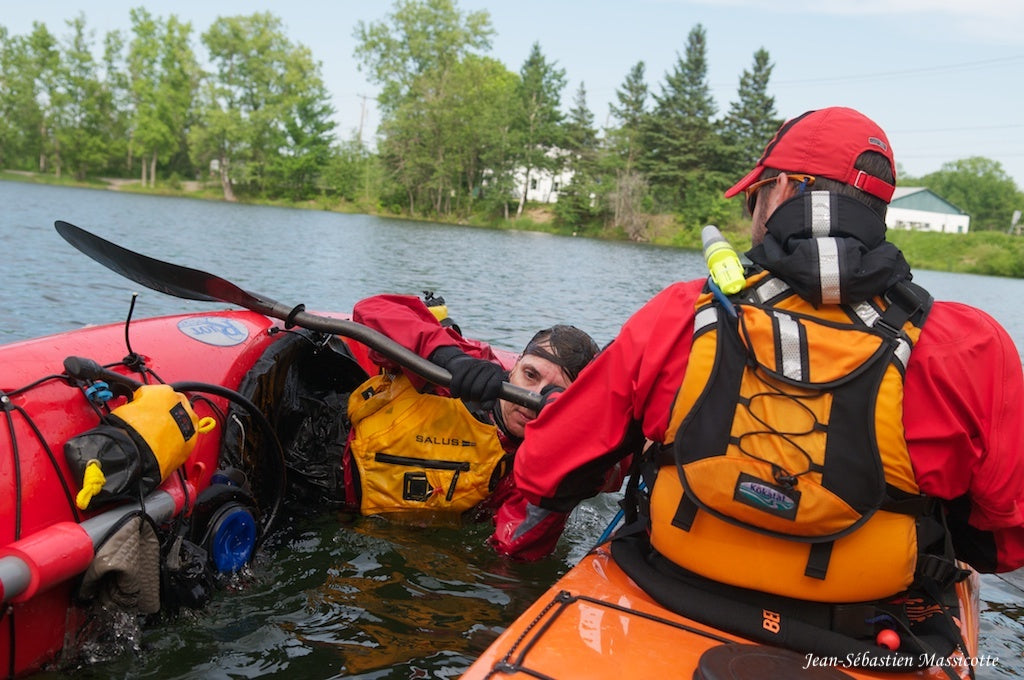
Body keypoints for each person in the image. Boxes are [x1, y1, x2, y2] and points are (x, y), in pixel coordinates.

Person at [493, 107, 1024, 661]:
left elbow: (543, 466)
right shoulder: (973, 345)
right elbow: (1005, 542)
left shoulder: (682, 313)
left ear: (785, 189)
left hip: (671, 589)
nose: (751, 215)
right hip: (859, 633)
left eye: (756, 195)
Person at [339, 293, 600, 545]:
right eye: (530, 375)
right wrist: (449, 359)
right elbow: (372, 308)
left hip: (368, 529)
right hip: (329, 453)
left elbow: (509, 551)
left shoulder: (534, 470)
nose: (531, 399)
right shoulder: (466, 368)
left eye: (553, 392)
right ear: (515, 366)